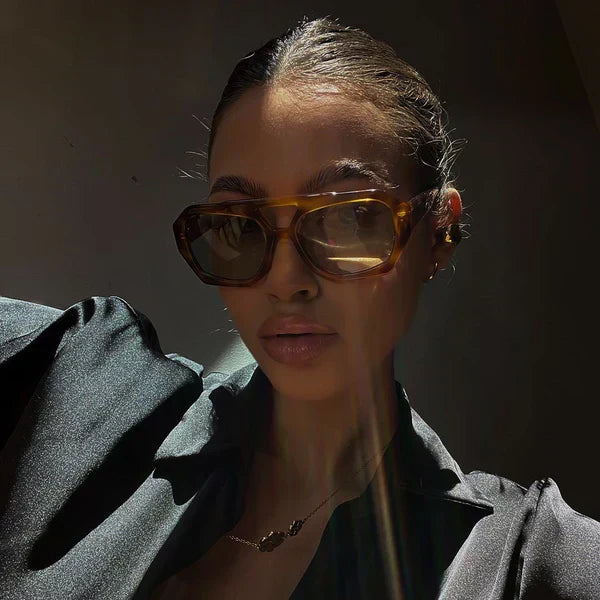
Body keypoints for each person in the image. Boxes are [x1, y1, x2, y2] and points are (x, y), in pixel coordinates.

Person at [1, 16, 599, 600]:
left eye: (349, 218)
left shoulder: (524, 560)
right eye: (240, 225)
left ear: (439, 230)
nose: (285, 280)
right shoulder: (83, 385)